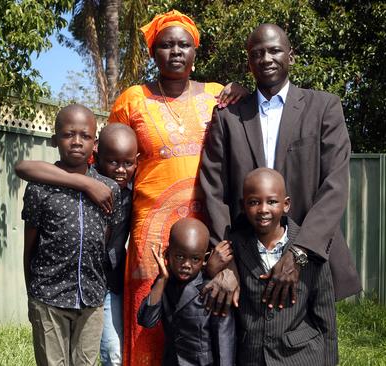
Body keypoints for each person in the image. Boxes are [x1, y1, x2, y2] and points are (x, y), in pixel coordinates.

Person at [108, 10, 247, 366]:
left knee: (208, 320)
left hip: (208, 235)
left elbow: (247, 136)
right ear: (153, 53)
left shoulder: (219, 96)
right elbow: (111, 159)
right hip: (152, 237)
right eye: (165, 45)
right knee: (151, 321)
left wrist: (245, 92)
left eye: (183, 44)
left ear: (195, 51)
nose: (175, 52)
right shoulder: (132, 100)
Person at [200, 24, 361, 316]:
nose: (266, 58)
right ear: (249, 63)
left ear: (291, 55)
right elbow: (214, 191)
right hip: (245, 259)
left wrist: (298, 253)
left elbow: (335, 185)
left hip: (310, 258)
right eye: (257, 53)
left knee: (311, 350)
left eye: (274, 50)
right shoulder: (228, 117)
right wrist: (227, 261)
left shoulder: (324, 108)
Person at [16, 122, 138, 366]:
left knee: (99, 357)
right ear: (98, 154)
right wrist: (86, 183)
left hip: (97, 289)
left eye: (85, 135)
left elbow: (104, 239)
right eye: (112, 161)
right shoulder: (49, 186)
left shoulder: (120, 189)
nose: (120, 170)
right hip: (52, 292)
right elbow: (22, 167)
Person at [228, 168, 336, 365]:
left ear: (286, 204)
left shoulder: (309, 248)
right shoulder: (234, 246)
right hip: (251, 356)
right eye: (253, 202)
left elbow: (325, 314)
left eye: (272, 201)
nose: (263, 209)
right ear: (243, 206)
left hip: (301, 356)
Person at [137, 217, 235, 366]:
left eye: (195, 259)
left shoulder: (213, 289)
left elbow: (224, 343)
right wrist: (162, 279)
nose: (186, 265)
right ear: (167, 253)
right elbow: (147, 320)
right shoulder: (164, 284)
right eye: (180, 256)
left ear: (204, 259)